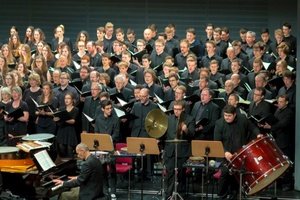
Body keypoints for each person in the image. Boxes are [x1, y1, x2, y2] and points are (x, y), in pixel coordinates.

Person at [214, 105, 262, 199]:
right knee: (225, 174)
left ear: (234, 114)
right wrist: (225, 152)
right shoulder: (219, 123)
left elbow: (252, 127)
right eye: (225, 115)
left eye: (229, 116)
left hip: (240, 154)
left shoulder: (242, 119)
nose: (227, 118)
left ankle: (234, 194)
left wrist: (258, 134)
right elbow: (217, 142)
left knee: (237, 176)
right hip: (225, 155)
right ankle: (221, 196)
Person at [164, 100, 195, 198]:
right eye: (175, 109)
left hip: (182, 151)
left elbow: (192, 135)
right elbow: (164, 133)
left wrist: (186, 130)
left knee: (181, 175)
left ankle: (180, 195)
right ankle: (168, 195)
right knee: (170, 173)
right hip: (170, 150)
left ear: (183, 109)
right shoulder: (168, 118)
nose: (176, 111)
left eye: (178, 109)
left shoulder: (189, 119)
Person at [54, 93, 79, 158]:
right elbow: (56, 119)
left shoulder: (75, 109)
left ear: (72, 100)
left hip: (70, 131)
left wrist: (62, 119)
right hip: (62, 130)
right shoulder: (61, 109)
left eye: (68, 98)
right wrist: (55, 119)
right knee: (61, 147)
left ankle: (71, 165)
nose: (66, 100)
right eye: (65, 98)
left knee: (69, 148)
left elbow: (73, 121)